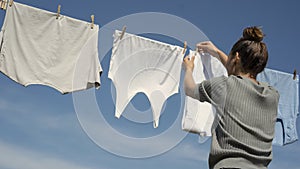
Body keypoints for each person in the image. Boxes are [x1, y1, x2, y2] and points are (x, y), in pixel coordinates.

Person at [183, 26, 279, 169]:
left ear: (237, 57)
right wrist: (216, 52)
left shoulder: (222, 85)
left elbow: (190, 89)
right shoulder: (272, 95)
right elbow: (240, 76)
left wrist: (189, 69)